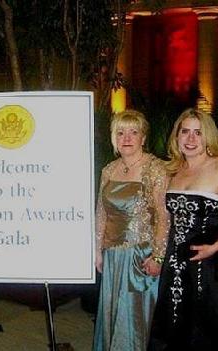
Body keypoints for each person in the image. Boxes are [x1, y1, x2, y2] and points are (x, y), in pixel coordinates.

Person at [148, 108, 218, 351]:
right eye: (185, 132)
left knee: (205, 329)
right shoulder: (174, 170)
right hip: (175, 264)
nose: (191, 139)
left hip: (210, 266)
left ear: (208, 137)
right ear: (177, 136)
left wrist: (215, 246)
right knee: (172, 327)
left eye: (198, 132)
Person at [93, 110, 169, 351]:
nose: (127, 137)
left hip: (140, 257)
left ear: (143, 138)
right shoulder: (109, 169)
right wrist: (97, 250)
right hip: (113, 256)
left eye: (133, 132)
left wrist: (158, 256)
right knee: (112, 315)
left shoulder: (155, 169)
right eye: (121, 132)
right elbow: (101, 212)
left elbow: (163, 216)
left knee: (134, 321)